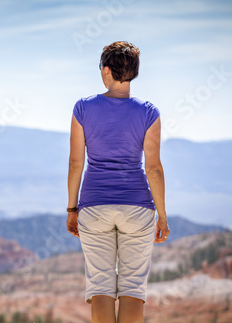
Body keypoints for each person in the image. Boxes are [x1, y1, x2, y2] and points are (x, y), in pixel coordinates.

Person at [66, 41, 170, 323]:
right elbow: (154, 169)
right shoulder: (149, 112)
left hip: (94, 207)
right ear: (133, 73)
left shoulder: (83, 108)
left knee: (100, 287)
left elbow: (76, 163)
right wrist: (161, 216)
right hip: (137, 208)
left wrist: (72, 209)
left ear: (106, 70)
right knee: (133, 289)